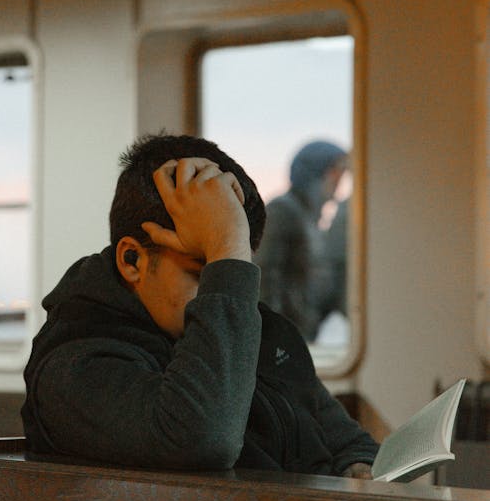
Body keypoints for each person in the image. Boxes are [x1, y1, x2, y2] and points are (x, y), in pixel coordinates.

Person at [21, 134, 377, 477]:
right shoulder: (75, 368)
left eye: (234, 263)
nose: (224, 290)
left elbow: (348, 441)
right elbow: (205, 439)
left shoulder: (263, 332)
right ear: (132, 260)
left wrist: (358, 465)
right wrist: (225, 251)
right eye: (202, 271)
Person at [254, 140, 347, 341]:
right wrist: (274, 339)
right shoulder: (282, 211)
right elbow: (264, 280)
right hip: (283, 340)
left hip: (301, 336)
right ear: (315, 173)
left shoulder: (309, 220)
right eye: (334, 173)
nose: (338, 182)